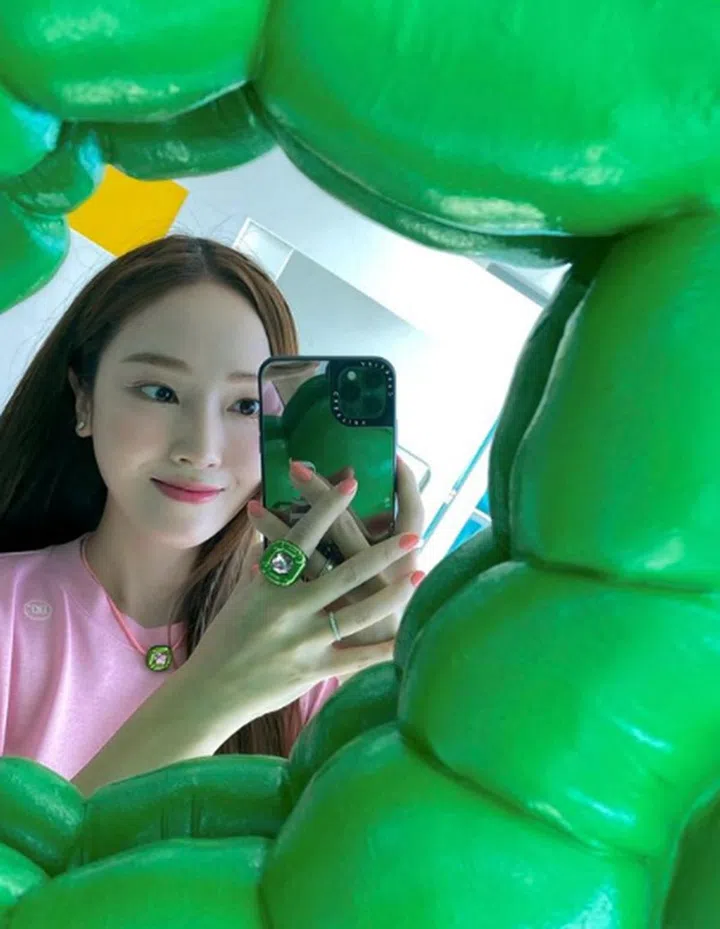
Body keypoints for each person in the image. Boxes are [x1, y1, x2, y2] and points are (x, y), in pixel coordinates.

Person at [0, 235, 424, 797]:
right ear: (84, 400)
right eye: (160, 391)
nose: (201, 449)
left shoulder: (308, 650)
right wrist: (216, 692)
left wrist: (380, 683)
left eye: (246, 406)